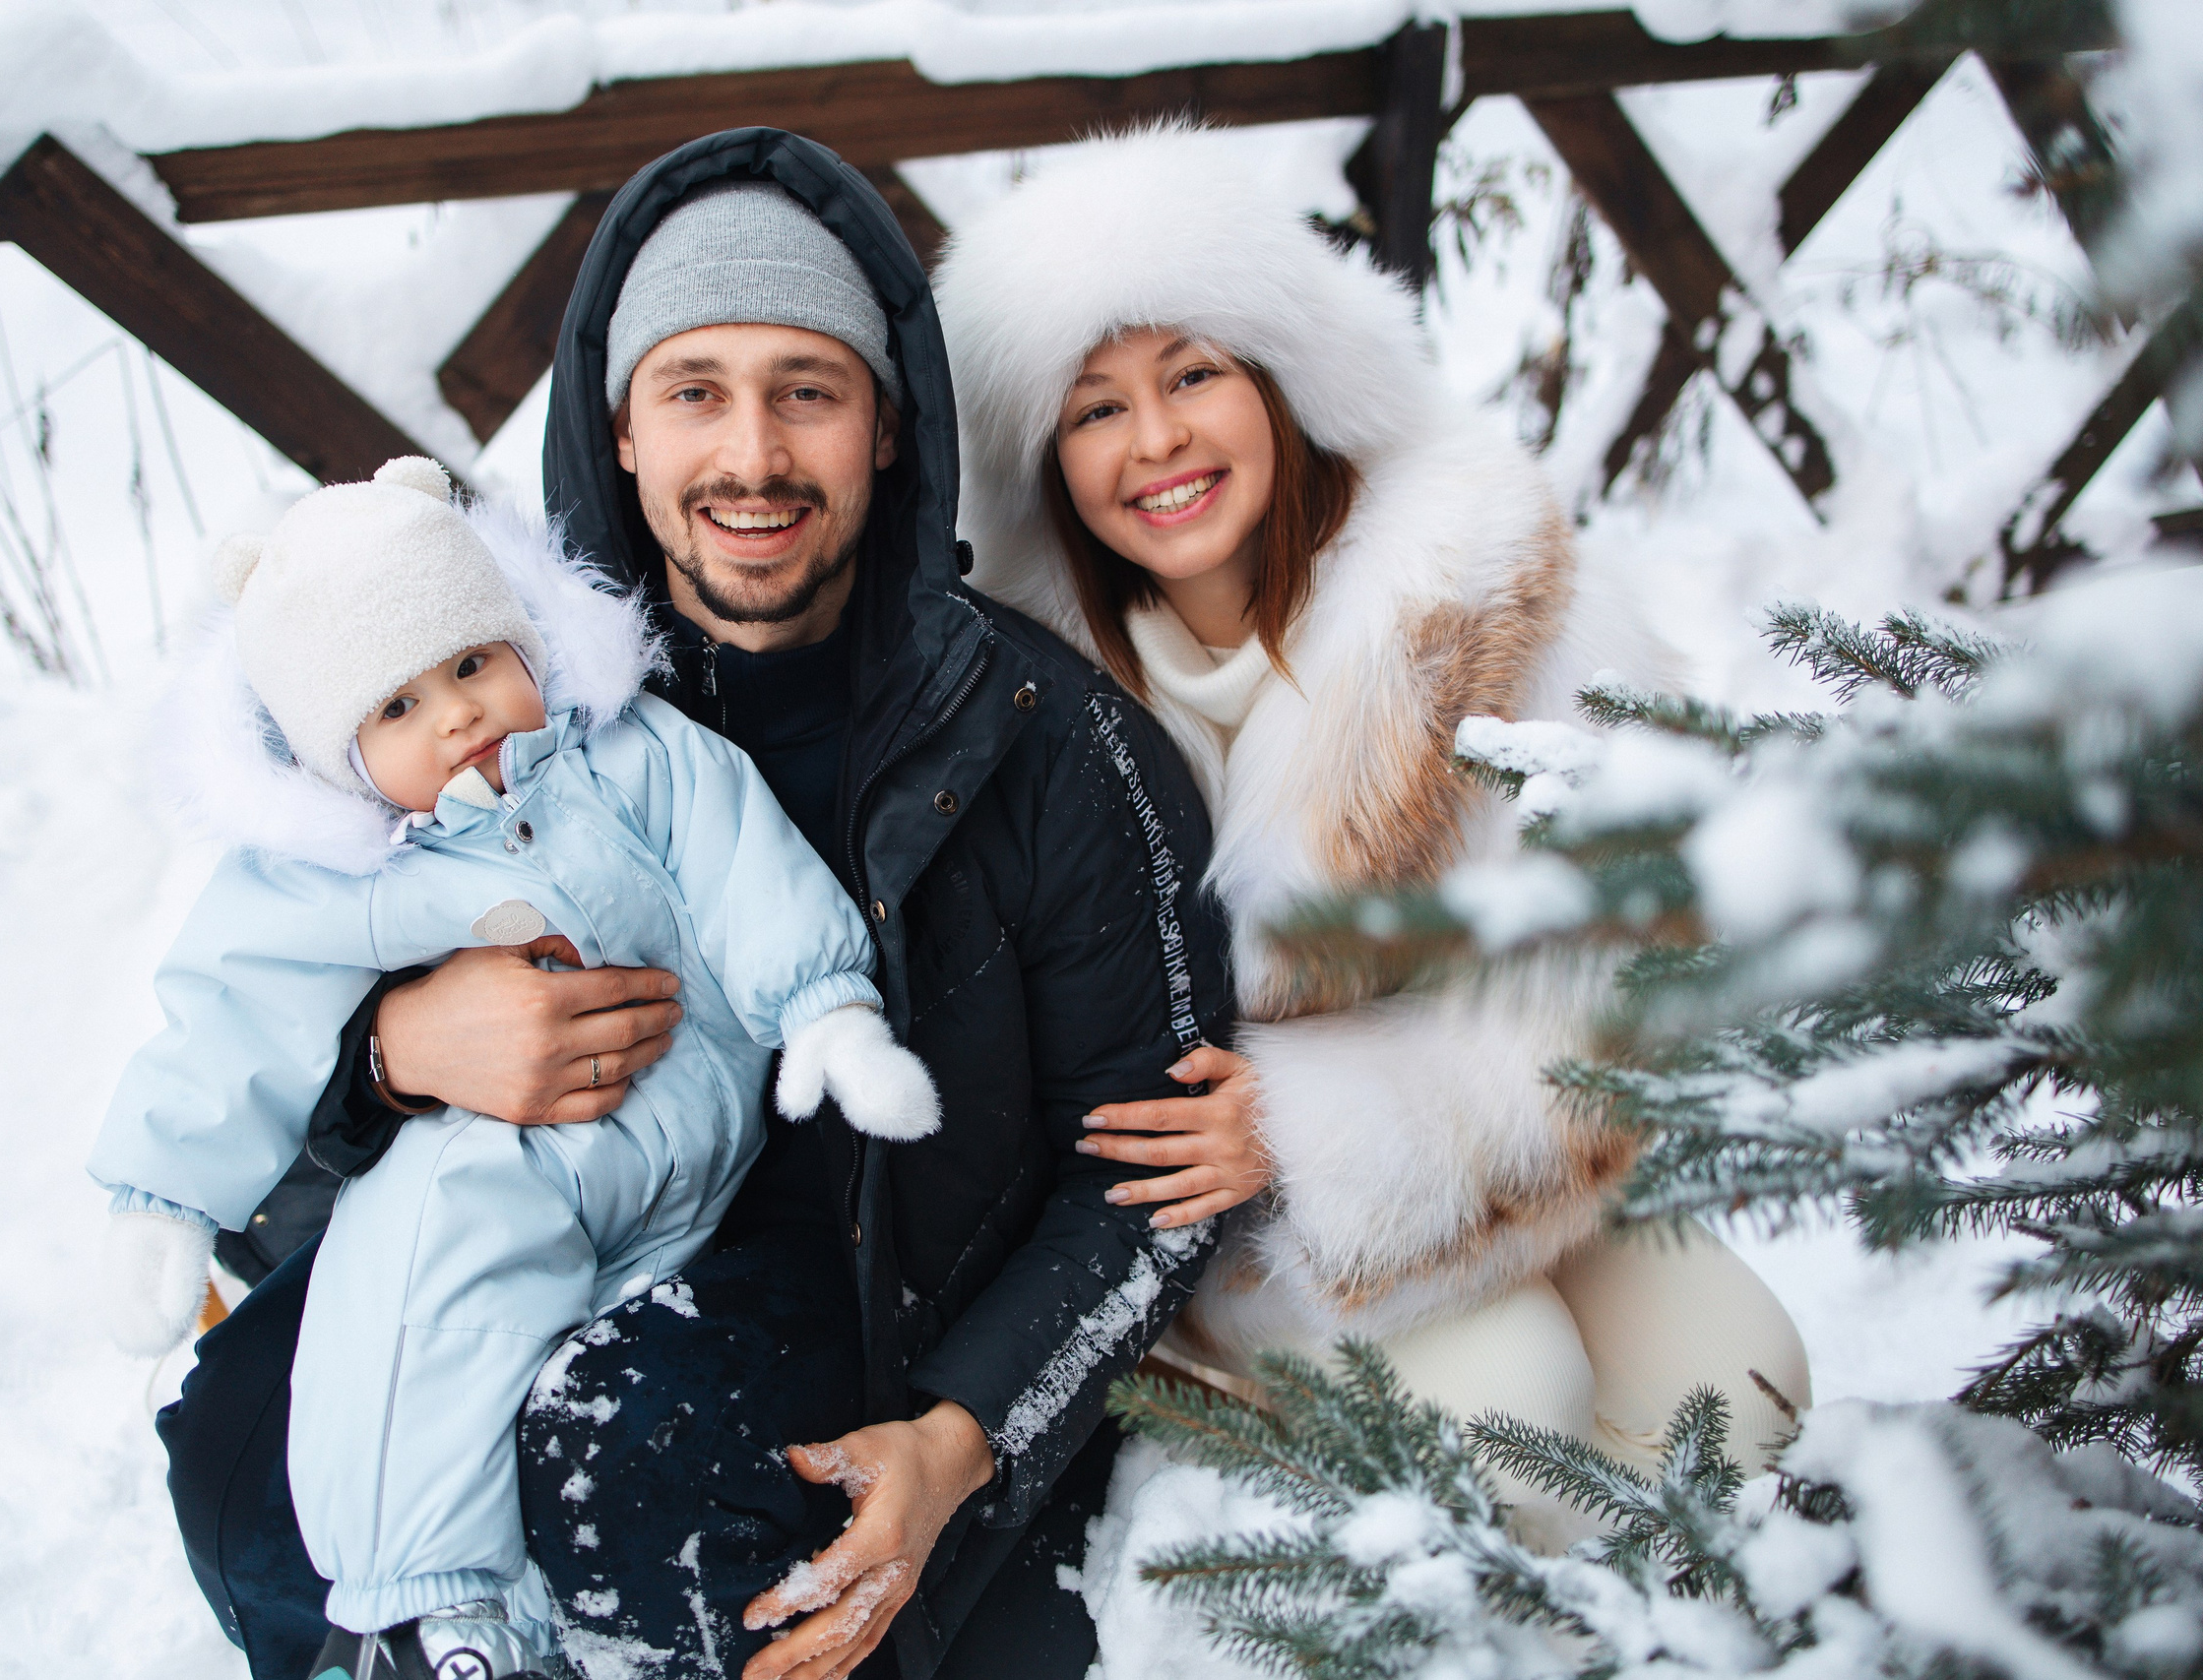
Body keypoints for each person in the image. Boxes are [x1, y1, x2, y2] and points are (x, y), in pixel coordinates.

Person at [152, 131, 1253, 1680]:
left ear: (885, 427)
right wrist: (397, 1056)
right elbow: (245, 1045)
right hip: (514, 1220)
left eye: (808, 387)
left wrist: (962, 1433)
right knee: (232, 1448)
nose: (752, 453)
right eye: (695, 390)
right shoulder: (463, 712)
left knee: (625, 1469)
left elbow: (1158, 1164)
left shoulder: (1041, 738)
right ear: (616, 428)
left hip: (883, 1296)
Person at [934, 126, 1811, 1543]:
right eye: (1094, 408)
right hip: (1192, 1193)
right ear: (1045, 458)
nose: (1155, 441)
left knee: (1744, 1380)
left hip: (1466, 1125)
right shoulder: (1038, 679)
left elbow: (1624, 971)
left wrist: (1322, 1124)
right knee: (1526, 1417)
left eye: (1194, 374)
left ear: (1284, 381)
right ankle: (1212, 1425)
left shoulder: (1469, 594)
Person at [93, 456, 945, 1678]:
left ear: (527, 643)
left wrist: (822, 1010)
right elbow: (230, 1013)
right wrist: (165, 1197)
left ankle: (503, 1615)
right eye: (395, 708)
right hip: (503, 1165)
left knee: (584, 1406)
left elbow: (742, 861)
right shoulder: (343, 872)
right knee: (425, 1322)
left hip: (690, 1159)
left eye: (471, 663)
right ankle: (431, 1611)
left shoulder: (631, 756)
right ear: (333, 757)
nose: (455, 714)